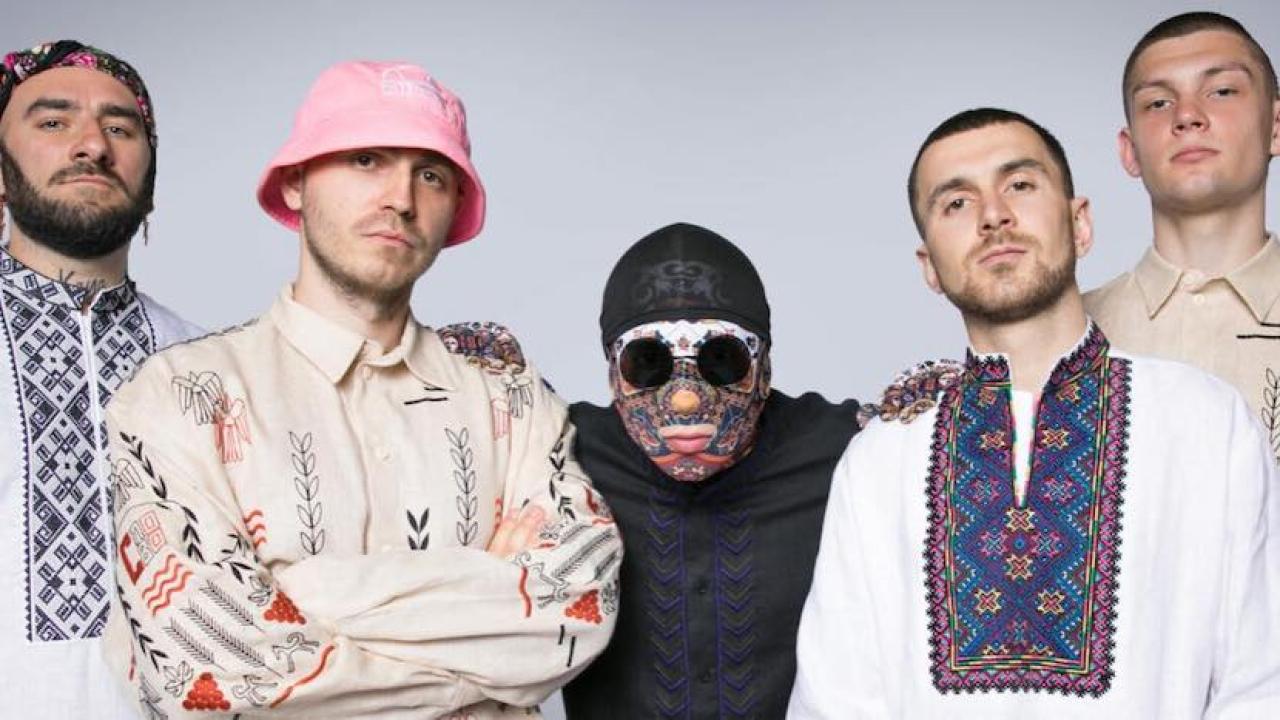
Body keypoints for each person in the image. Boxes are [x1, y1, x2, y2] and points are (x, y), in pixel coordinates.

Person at [103, 60, 619, 718]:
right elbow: (210, 672)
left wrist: (297, 598)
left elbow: (580, 608)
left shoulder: (510, 394)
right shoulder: (178, 397)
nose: (401, 199)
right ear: (295, 182)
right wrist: (486, 632)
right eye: (367, 159)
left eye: (430, 175)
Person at [789, 108, 1280, 718]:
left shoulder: (1204, 420)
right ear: (929, 266)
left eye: (1019, 184)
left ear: (1080, 223)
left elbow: (1263, 680)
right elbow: (837, 700)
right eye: (956, 203)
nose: (993, 215)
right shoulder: (883, 456)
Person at [561, 222, 954, 719]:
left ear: (764, 368)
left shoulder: (852, 446)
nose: (685, 398)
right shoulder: (558, 449)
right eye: (648, 362)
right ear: (612, 374)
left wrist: (950, 406)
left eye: (721, 359)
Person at [0, 40, 199, 719]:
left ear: (151, 177)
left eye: (120, 128)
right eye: (54, 122)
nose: (93, 146)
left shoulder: (208, 368)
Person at [1085, 11, 1280, 463]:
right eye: (1158, 102)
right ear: (1130, 151)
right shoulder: (1072, 335)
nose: (1188, 116)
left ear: (1274, 127)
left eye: (1222, 91)